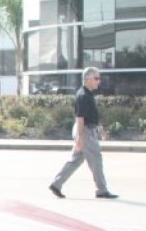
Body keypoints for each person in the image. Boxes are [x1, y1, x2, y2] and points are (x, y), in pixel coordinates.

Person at [48, 67, 118, 199]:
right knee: (96, 158)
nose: (99, 81)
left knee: (76, 160)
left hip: (86, 130)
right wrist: (80, 138)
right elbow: (80, 118)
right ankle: (102, 190)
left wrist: (101, 130)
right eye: (96, 78)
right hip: (84, 130)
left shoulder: (88, 94)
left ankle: (56, 184)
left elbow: (92, 116)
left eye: (99, 78)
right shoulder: (83, 95)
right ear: (88, 79)